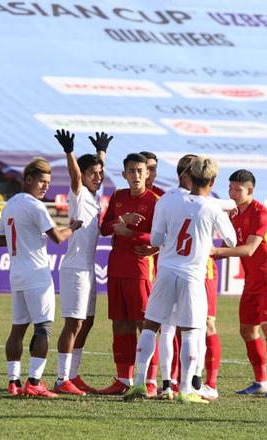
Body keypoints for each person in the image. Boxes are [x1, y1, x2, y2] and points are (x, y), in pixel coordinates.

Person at [123, 156, 237, 404]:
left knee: (151, 325)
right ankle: (186, 389)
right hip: (193, 276)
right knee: (190, 332)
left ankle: (140, 382)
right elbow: (231, 241)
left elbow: (155, 240)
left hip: (165, 270)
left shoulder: (167, 200)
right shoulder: (211, 208)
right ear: (213, 180)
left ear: (188, 176)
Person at [0, 157, 82, 398]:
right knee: (43, 328)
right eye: (42, 181)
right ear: (29, 179)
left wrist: (22, 237)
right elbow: (57, 237)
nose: (45, 187)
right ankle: (34, 382)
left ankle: (14, 382)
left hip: (17, 274)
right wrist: (74, 227)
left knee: (18, 329)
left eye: (48, 183)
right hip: (37, 274)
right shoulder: (35, 206)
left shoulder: (10, 205)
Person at [210, 169, 267, 399]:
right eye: (230, 189)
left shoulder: (261, 214)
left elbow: (249, 249)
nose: (232, 193)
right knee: (246, 330)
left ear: (250, 190)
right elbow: (227, 244)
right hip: (252, 281)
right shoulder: (232, 215)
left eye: (237, 189)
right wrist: (208, 251)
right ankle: (261, 381)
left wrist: (213, 251)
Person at [52, 129, 112, 395]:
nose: (97, 177)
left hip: (88, 269)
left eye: (100, 174)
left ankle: (73, 376)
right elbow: (77, 175)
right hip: (75, 268)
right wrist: (70, 151)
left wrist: (102, 154)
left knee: (87, 323)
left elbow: (92, 172)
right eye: (93, 174)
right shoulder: (78, 193)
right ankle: (61, 379)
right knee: (73, 323)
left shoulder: (95, 195)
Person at [98, 153, 160, 396]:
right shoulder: (117, 196)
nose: (136, 175)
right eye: (131, 171)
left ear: (147, 174)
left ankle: (150, 381)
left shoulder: (156, 201)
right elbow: (104, 228)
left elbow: (159, 237)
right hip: (116, 269)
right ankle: (123, 380)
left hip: (140, 270)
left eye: (140, 171)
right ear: (124, 174)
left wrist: (130, 234)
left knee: (143, 325)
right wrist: (121, 222)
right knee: (120, 324)